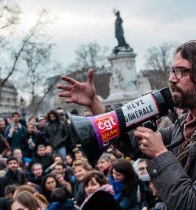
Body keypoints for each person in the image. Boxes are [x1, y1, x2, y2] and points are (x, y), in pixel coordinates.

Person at [57, 40, 196, 210]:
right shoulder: (184, 124)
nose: (171, 79)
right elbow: (136, 144)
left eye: (182, 71)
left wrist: (160, 153)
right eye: (172, 70)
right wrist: (94, 103)